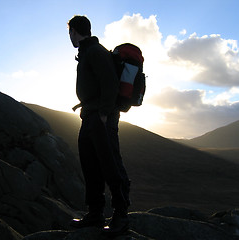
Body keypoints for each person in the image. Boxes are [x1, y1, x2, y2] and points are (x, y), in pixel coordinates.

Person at [68, 15, 131, 236]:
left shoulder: (95, 52)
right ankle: (95, 213)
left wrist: (104, 114)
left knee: (111, 163)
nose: (70, 38)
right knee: (90, 164)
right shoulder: (87, 52)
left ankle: (121, 214)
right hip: (90, 115)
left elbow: (110, 84)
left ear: (74, 31)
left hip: (101, 117)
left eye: (70, 33)